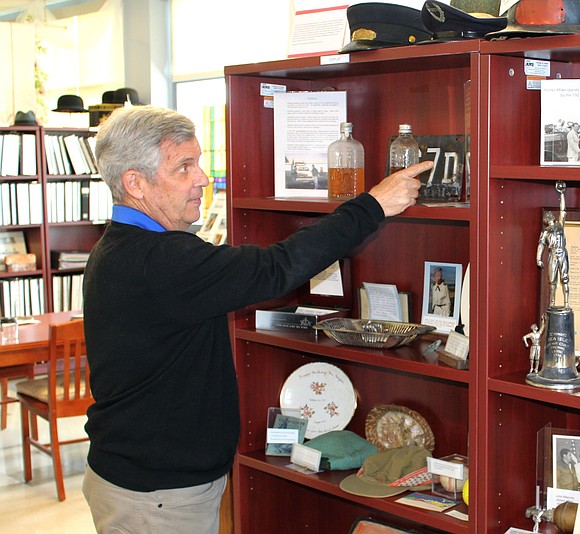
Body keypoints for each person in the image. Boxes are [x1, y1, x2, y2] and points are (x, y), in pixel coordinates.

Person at [80, 106, 432, 533]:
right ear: (134, 182)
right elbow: (275, 268)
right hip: (155, 496)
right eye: (184, 167)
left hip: (152, 483)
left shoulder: (125, 245)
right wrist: (372, 205)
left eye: (199, 163)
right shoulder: (159, 259)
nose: (202, 179)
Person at [536, 182, 569, 307]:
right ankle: (552, 302)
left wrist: (562, 195)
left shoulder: (559, 225)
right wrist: (538, 258)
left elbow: (563, 211)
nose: (549, 218)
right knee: (552, 281)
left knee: (565, 278)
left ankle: (566, 303)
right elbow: (541, 245)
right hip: (553, 255)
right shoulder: (545, 231)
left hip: (562, 253)